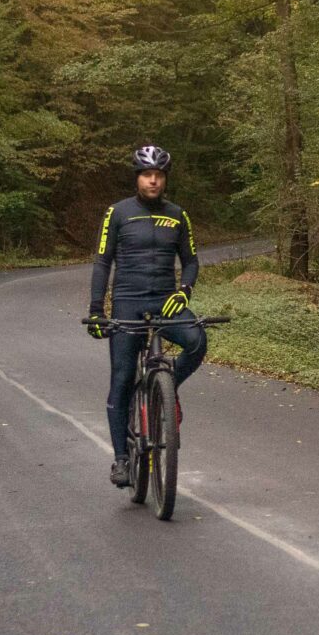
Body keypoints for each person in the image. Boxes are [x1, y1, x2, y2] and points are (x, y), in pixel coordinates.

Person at [85, 144, 204, 487]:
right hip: (127, 303)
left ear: (165, 179)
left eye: (159, 176)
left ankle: (165, 390)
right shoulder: (117, 213)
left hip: (166, 302)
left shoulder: (178, 215)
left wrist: (185, 291)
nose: (153, 181)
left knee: (197, 340)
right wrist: (97, 309)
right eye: (147, 175)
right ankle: (121, 460)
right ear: (137, 178)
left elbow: (192, 260)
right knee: (122, 380)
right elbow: (102, 261)